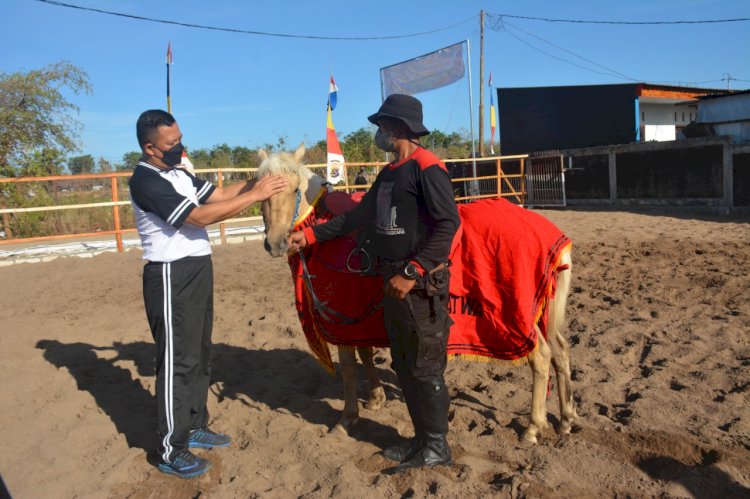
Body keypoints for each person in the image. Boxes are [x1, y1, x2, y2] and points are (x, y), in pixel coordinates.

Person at [288, 94, 460, 472]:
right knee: (403, 362)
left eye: (382, 125)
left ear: (397, 127)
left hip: (420, 285)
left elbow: (449, 224)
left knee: (425, 366)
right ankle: (420, 440)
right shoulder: (388, 174)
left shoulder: (428, 168)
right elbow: (357, 219)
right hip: (391, 280)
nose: (377, 132)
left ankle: (437, 447)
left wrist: (413, 270)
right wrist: (312, 237)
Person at [129, 109, 288, 478]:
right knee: (176, 360)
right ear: (150, 148)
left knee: (199, 351)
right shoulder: (147, 181)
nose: (180, 146)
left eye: (180, 138)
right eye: (171, 143)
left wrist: (261, 181)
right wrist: (257, 196)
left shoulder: (177, 172)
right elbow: (199, 217)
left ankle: (194, 424)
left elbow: (219, 193)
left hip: (198, 268)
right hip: (170, 274)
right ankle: (171, 447)